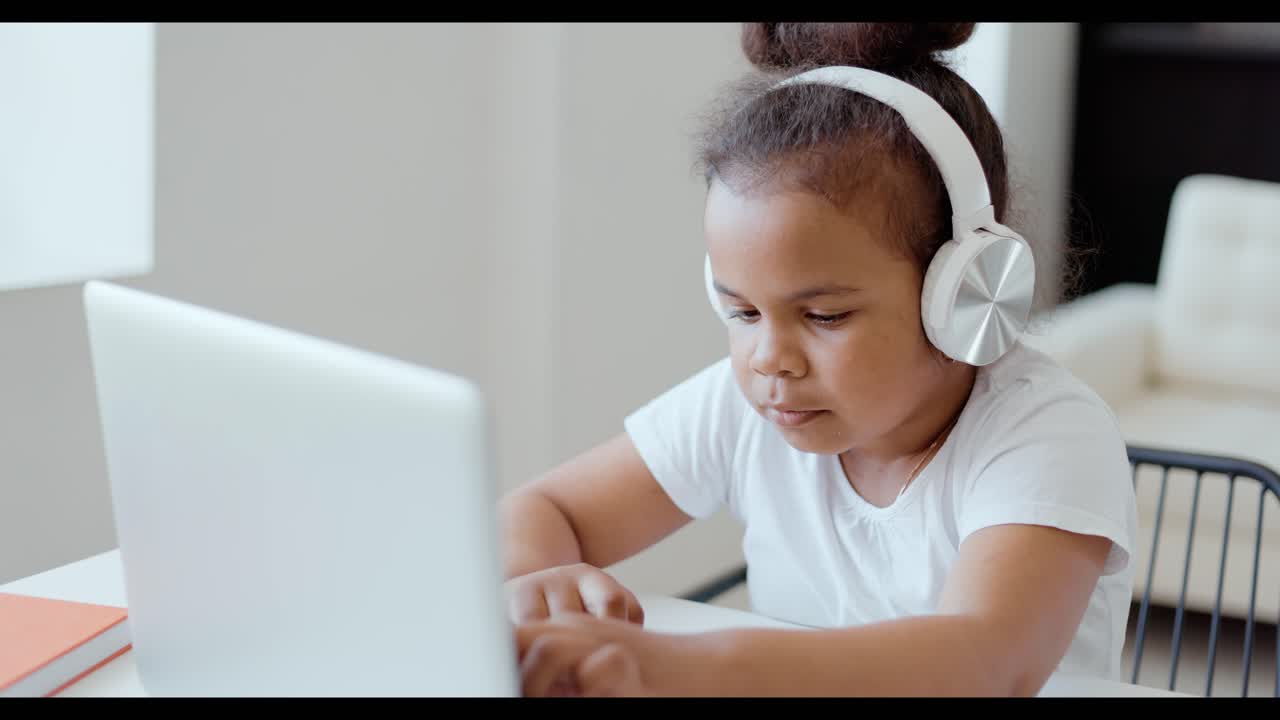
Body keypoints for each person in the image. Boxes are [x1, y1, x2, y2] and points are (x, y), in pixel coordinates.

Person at [499, 22, 1138, 697]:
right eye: (741, 312)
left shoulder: (1046, 434)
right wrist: (536, 580)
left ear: (965, 294)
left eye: (824, 315)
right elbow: (544, 511)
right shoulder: (742, 404)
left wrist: (667, 664)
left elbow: (985, 661)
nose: (770, 359)